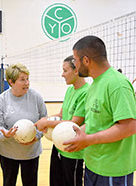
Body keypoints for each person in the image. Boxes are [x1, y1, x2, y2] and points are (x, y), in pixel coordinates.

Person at [65, 35, 136, 186]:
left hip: (113, 169)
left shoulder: (117, 84)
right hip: (92, 164)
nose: (75, 66)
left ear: (86, 60)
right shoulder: (95, 84)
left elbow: (130, 126)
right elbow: (94, 122)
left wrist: (88, 140)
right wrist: (77, 131)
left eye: (76, 61)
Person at [35, 55, 89, 186]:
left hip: (73, 152)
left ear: (76, 71)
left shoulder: (86, 92)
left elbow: (73, 123)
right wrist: (44, 120)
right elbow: (61, 115)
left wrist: (47, 123)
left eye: (65, 70)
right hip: (59, 146)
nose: (62, 75)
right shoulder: (70, 89)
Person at [0, 63, 47, 186]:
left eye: (27, 79)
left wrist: (36, 136)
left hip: (31, 153)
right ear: (11, 82)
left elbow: (44, 120)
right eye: (22, 80)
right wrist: (5, 134)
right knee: (8, 183)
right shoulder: (2, 100)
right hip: (8, 154)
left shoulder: (36, 97)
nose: (27, 83)